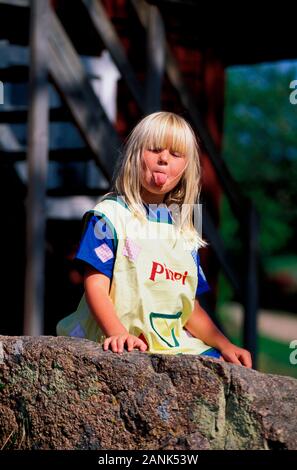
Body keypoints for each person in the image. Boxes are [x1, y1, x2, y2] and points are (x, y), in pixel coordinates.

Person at [57, 111, 252, 367]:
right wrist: (117, 332)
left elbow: (188, 307)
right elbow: (95, 287)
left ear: (186, 168)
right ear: (134, 154)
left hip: (169, 342)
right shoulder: (109, 216)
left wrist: (225, 344)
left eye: (175, 154)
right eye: (155, 149)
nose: (163, 159)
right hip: (112, 336)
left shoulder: (185, 231)